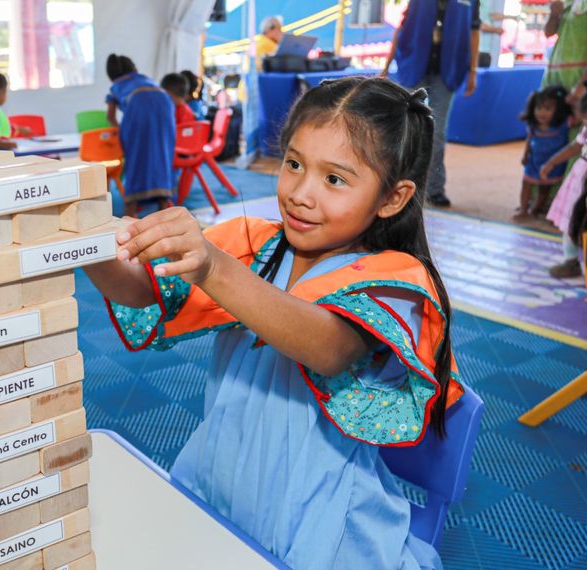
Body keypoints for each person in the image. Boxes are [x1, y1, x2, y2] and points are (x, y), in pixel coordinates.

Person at [85, 77, 464, 569]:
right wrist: (82, 240)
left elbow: (327, 347)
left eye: (335, 179)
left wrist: (214, 267)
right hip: (220, 480)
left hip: (316, 520)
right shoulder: (254, 244)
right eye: (293, 164)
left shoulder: (397, 282)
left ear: (393, 198)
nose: (301, 193)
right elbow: (142, 288)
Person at [382, 0, 482, 208]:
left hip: (448, 72)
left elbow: (474, 31)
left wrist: (472, 71)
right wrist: (386, 67)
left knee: (437, 132)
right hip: (413, 67)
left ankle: (435, 189)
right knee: (405, 126)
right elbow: (403, 27)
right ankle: (394, 183)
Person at [105, 54, 175, 218]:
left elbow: (110, 116)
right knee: (162, 155)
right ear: (133, 68)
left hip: (138, 107)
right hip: (164, 104)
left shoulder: (116, 86)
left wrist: (121, 131)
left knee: (136, 158)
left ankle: (130, 211)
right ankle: (163, 205)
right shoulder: (146, 79)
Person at [544, 86, 587, 277]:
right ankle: (571, 261)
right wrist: (551, 162)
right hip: (581, 179)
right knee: (572, 219)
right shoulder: (585, 130)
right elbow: (575, 146)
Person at [516, 85, 572, 220]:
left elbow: (579, 115)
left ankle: (535, 209)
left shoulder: (563, 125)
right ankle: (523, 209)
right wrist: (525, 155)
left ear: (557, 110)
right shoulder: (533, 125)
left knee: (544, 188)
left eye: (548, 109)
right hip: (534, 161)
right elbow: (529, 140)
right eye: (539, 108)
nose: (542, 113)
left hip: (553, 164)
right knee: (526, 184)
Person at [542, 0, 587, 92]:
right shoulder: (566, 2)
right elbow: (548, 33)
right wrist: (554, 15)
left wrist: (580, 89)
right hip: (554, 77)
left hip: (579, 81)